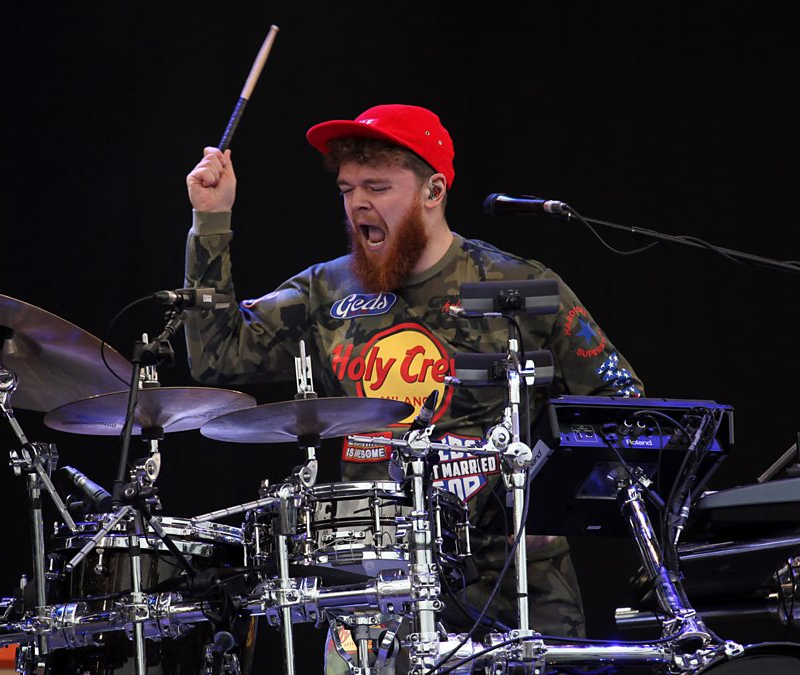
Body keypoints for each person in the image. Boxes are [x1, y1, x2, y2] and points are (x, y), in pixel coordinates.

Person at [184, 104, 642, 672]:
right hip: (375, 587)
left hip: (517, 587)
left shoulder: (518, 283)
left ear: (434, 190)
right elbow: (217, 355)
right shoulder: (325, 292)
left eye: (377, 187)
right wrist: (211, 222)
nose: (357, 203)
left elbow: (620, 405)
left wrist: (546, 503)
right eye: (347, 189)